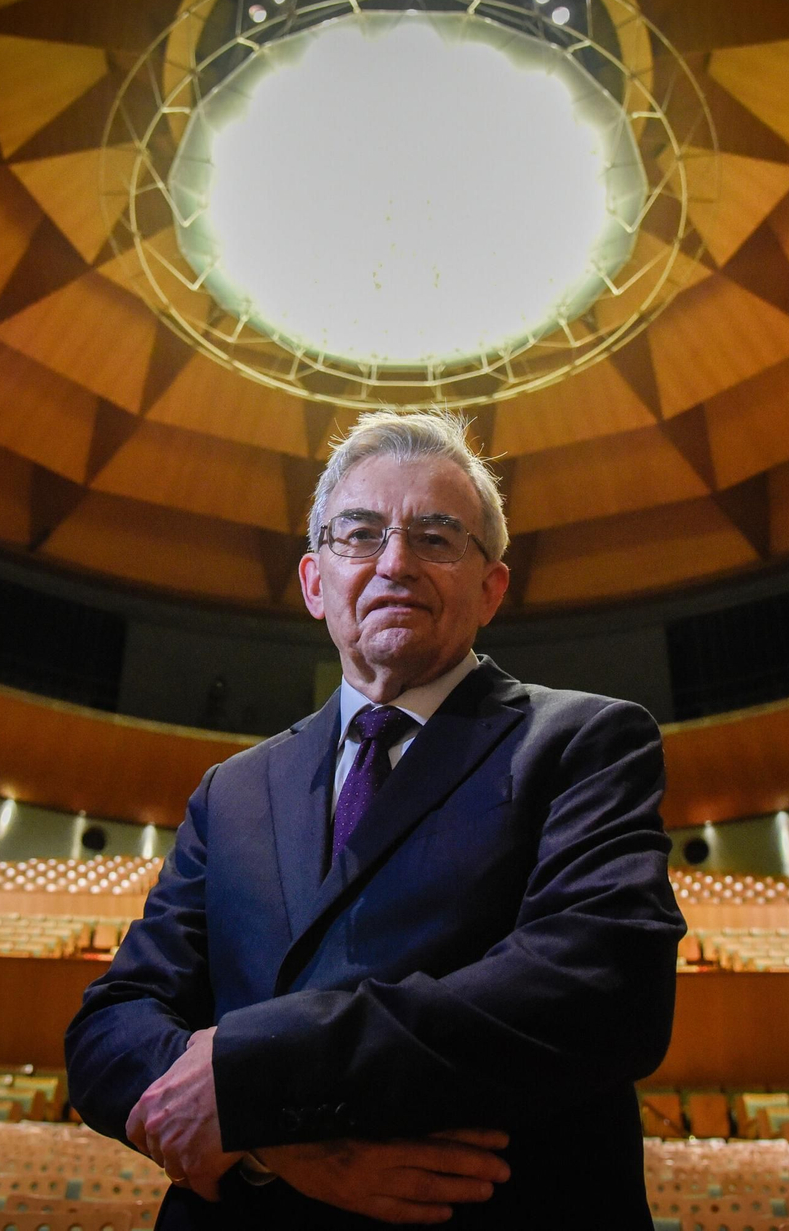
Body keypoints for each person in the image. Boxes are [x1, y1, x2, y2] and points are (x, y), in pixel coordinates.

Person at [65, 410, 684, 1227]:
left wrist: (260, 1077)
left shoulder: (586, 741)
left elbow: (601, 993)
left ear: (491, 586)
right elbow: (110, 1027)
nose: (395, 562)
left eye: (436, 537)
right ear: (315, 580)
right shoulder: (231, 791)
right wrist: (269, 1143)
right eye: (359, 534)